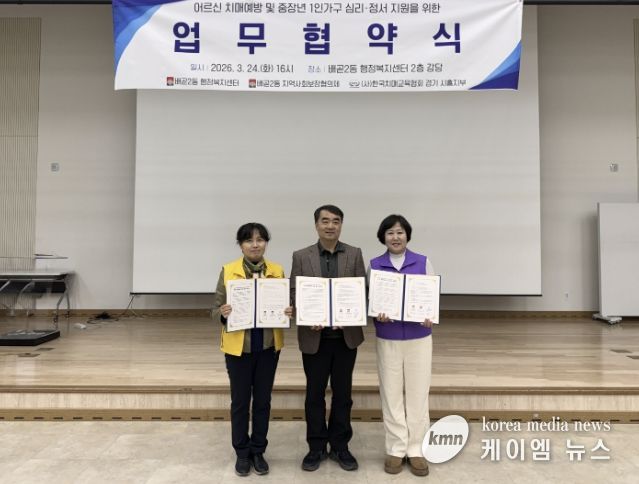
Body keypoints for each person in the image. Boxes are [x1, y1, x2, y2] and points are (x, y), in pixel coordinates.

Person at [212, 222, 293, 477]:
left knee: (263, 401)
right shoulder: (228, 270)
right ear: (241, 245)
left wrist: (288, 311)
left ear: (266, 243)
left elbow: (285, 306)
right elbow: (214, 310)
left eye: (260, 240)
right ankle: (241, 452)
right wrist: (223, 313)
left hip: (268, 347)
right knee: (240, 402)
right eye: (249, 240)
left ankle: (258, 450)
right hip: (238, 350)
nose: (255, 245)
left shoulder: (277, 270)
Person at [290, 204, 366, 472]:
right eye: (325, 221)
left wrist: (354, 311)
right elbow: (294, 292)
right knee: (314, 395)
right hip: (315, 339)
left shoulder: (354, 253)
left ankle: (340, 446)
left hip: (346, 338)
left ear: (341, 225)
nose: (330, 226)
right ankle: (316, 447)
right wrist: (304, 314)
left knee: (343, 395)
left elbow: (361, 290)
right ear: (316, 225)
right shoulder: (301, 256)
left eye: (336, 221)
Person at [370, 214, 435, 477]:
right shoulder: (375, 265)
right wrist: (377, 313)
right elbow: (371, 302)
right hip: (388, 337)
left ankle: (416, 449)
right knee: (391, 394)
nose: (395, 237)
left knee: (419, 393)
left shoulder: (423, 262)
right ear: (383, 237)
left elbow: (431, 297)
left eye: (400, 232)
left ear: (407, 235)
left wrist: (430, 314)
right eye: (390, 233)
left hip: (419, 338)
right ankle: (396, 449)